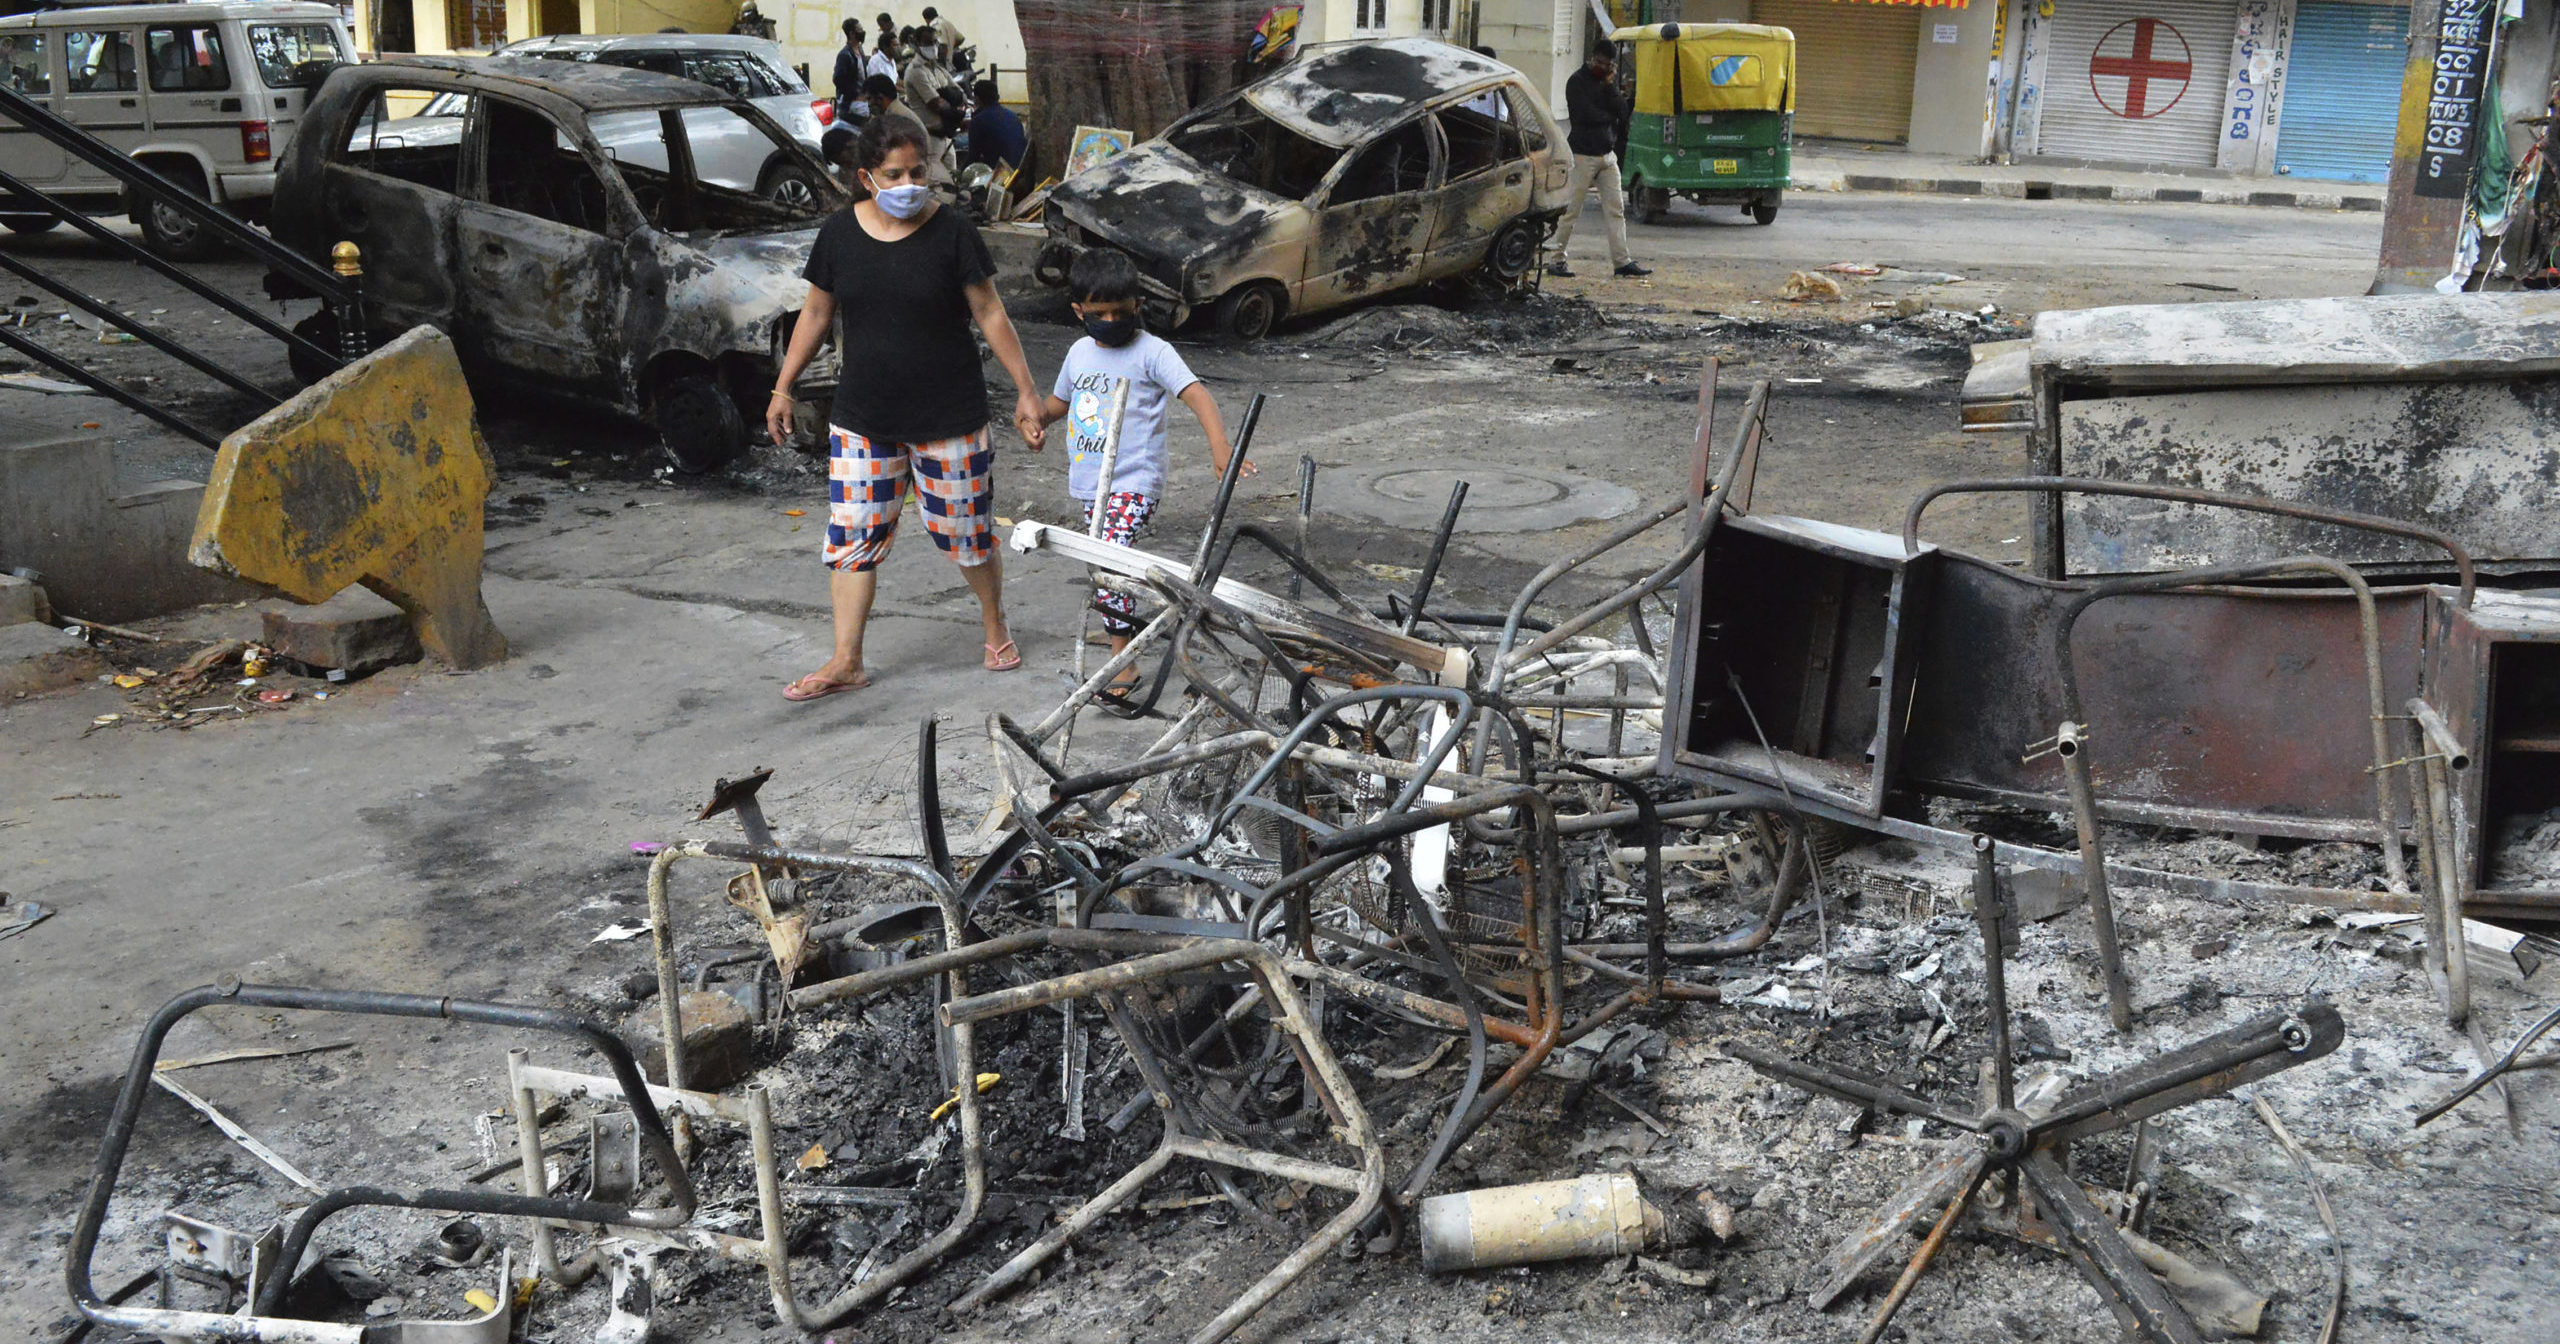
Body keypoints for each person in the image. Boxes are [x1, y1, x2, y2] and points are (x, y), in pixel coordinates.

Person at [765, 115, 1048, 699]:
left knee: (966, 533)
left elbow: (990, 312)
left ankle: (995, 625)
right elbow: (816, 315)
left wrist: (1025, 389)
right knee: (852, 537)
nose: (909, 182)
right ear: (867, 178)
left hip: (949, 416)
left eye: (918, 171)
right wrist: (783, 386)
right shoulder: (839, 234)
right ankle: (846, 660)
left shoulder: (953, 233)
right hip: (864, 418)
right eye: (894, 174)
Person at [1037, 250, 1247, 685]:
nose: (1111, 320)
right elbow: (1059, 404)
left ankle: (1124, 663)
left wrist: (1220, 447)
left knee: (1112, 558)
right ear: (1079, 311)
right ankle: (1125, 625)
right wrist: (1033, 420)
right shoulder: (1078, 353)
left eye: (1121, 311)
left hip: (1134, 480)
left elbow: (1196, 394)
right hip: (1088, 483)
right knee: (1105, 567)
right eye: (1100, 313)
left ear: (1137, 305)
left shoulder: (1153, 351)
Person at [1551, 48, 1649, 279]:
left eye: (1608, 64)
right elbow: (1585, 115)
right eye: (1601, 62)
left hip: (1607, 155)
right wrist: (1609, 114)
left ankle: (1622, 262)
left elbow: (1622, 111)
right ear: (1592, 58)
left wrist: (1609, 89)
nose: (1603, 67)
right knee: (1570, 211)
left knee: (1616, 210)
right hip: (1582, 155)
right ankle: (1556, 260)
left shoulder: (1606, 84)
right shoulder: (1576, 81)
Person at [964, 77, 1025, 172]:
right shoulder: (1013, 117)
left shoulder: (978, 121)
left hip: (996, 174)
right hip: (1018, 171)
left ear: (977, 98)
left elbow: (973, 157)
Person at [830, 18, 867, 117]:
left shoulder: (860, 50)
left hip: (862, 100)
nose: (863, 32)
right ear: (851, 34)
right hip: (850, 104)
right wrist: (854, 95)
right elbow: (838, 79)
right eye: (859, 29)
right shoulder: (845, 55)